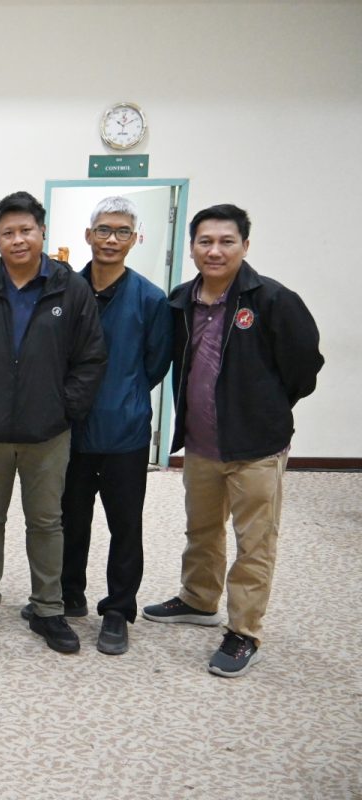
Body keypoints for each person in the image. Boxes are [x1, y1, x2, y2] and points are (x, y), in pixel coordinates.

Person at [143, 204, 323, 677]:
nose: (215, 251)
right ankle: (199, 599)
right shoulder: (181, 300)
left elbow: (304, 368)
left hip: (256, 448)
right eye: (205, 241)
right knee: (201, 529)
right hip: (201, 445)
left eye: (227, 241)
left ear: (245, 245)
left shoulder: (273, 300)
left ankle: (244, 631)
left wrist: (265, 409)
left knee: (254, 542)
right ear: (191, 247)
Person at [0, 191, 106, 653]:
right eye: (8, 233)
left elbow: (91, 358)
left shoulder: (70, 287)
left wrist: (64, 408)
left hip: (48, 432)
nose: (18, 240)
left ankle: (48, 609)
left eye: (26, 231)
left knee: (47, 521)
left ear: (42, 232)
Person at [40, 196, 171, 655]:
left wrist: (123, 395)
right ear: (88, 235)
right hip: (69, 430)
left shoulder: (151, 300)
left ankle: (117, 610)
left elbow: (155, 363)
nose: (111, 239)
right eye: (103, 230)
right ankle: (69, 594)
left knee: (125, 525)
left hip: (124, 432)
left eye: (121, 232)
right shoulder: (63, 291)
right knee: (68, 520)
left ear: (135, 239)